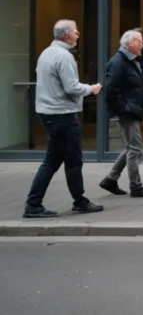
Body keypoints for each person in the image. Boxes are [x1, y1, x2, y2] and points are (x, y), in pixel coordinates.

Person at [23, 20, 104, 218]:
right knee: (73, 160)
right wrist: (91, 89)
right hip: (63, 114)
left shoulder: (46, 53)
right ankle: (79, 202)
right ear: (67, 35)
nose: (78, 35)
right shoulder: (64, 56)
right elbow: (71, 87)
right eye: (75, 31)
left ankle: (33, 204)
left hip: (49, 113)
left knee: (52, 160)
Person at [99, 29, 143, 198]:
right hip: (128, 111)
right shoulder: (118, 62)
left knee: (131, 147)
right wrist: (125, 109)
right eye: (140, 41)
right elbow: (111, 91)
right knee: (136, 148)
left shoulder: (132, 60)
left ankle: (110, 179)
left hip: (132, 109)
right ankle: (136, 187)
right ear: (130, 43)